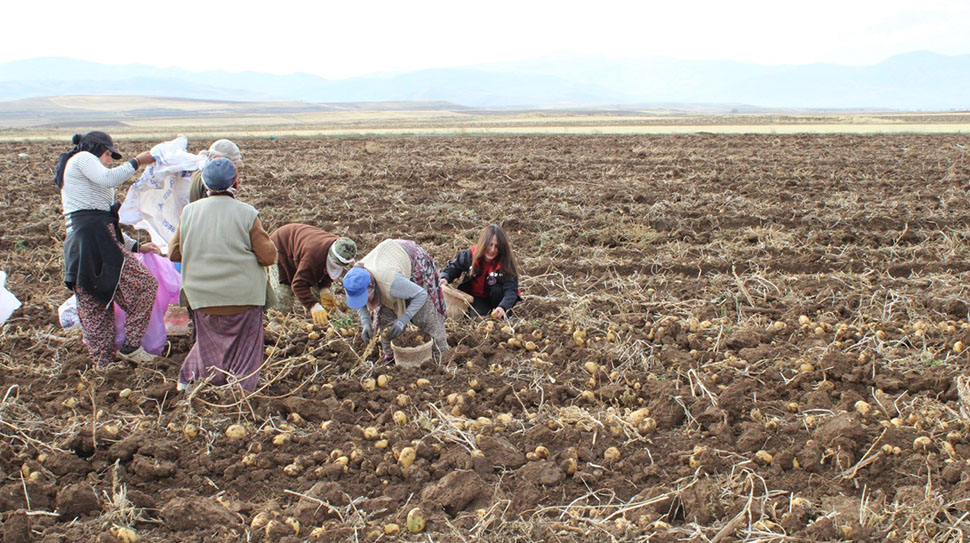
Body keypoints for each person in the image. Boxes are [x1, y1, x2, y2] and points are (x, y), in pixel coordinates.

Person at [168, 158, 277, 391]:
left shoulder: (189, 213)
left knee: (208, 342)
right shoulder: (247, 213)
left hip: (203, 298)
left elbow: (174, 253)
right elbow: (268, 256)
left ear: (204, 184)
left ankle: (190, 382)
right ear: (236, 182)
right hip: (244, 298)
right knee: (246, 347)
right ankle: (239, 390)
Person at [56, 131, 160, 367]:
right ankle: (124, 351)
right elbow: (108, 180)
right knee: (140, 286)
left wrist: (137, 246)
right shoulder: (83, 158)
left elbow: (104, 221)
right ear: (95, 149)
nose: (109, 160)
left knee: (96, 298)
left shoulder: (83, 169)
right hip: (93, 240)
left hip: (87, 241)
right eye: (107, 154)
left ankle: (104, 362)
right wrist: (137, 161)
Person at [344, 239, 448, 362]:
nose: (365, 302)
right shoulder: (352, 281)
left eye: (366, 298)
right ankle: (392, 358)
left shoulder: (389, 282)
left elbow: (421, 295)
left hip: (412, 259)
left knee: (425, 316)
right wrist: (366, 322)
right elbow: (360, 303)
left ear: (372, 288)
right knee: (386, 320)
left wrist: (403, 320)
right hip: (387, 263)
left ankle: (441, 357)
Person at [269, 224, 357, 325]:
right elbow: (298, 285)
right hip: (281, 246)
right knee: (284, 298)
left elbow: (326, 271)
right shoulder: (312, 258)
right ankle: (275, 323)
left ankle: (324, 323)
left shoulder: (341, 248)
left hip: (303, 251)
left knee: (326, 301)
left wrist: (324, 289)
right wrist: (313, 305)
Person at [440, 224, 521, 318]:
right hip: (477, 298)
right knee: (476, 316)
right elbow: (454, 267)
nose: (492, 250)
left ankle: (502, 314)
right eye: (489, 245)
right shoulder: (471, 255)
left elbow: (511, 290)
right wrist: (445, 277)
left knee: (497, 289)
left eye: (497, 246)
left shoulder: (506, 262)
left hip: (497, 299)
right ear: (483, 243)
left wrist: (503, 307)